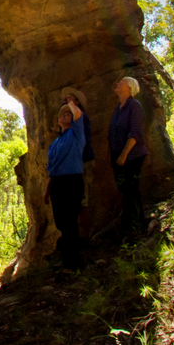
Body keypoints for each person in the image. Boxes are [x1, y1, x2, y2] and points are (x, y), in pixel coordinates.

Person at [44, 99, 85, 270]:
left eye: (68, 114)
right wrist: (48, 189)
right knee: (61, 222)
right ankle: (67, 260)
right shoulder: (56, 142)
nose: (65, 116)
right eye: (62, 114)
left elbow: (77, 114)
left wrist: (70, 103)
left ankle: (74, 262)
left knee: (70, 220)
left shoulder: (76, 134)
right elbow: (52, 167)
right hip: (57, 184)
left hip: (72, 181)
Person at [108, 76, 148, 236]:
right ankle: (130, 226)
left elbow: (135, 132)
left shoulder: (134, 105)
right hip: (119, 158)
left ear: (130, 88)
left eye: (122, 82)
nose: (118, 83)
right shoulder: (118, 109)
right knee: (125, 190)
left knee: (132, 190)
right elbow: (111, 134)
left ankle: (139, 226)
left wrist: (124, 155)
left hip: (133, 156)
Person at [61, 86, 95, 235]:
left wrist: (70, 105)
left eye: (69, 97)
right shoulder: (74, 122)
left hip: (84, 163)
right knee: (77, 202)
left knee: (84, 201)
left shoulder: (81, 117)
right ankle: (79, 236)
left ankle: (86, 237)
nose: (66, 99)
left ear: (77, 101)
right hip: (75, 167)